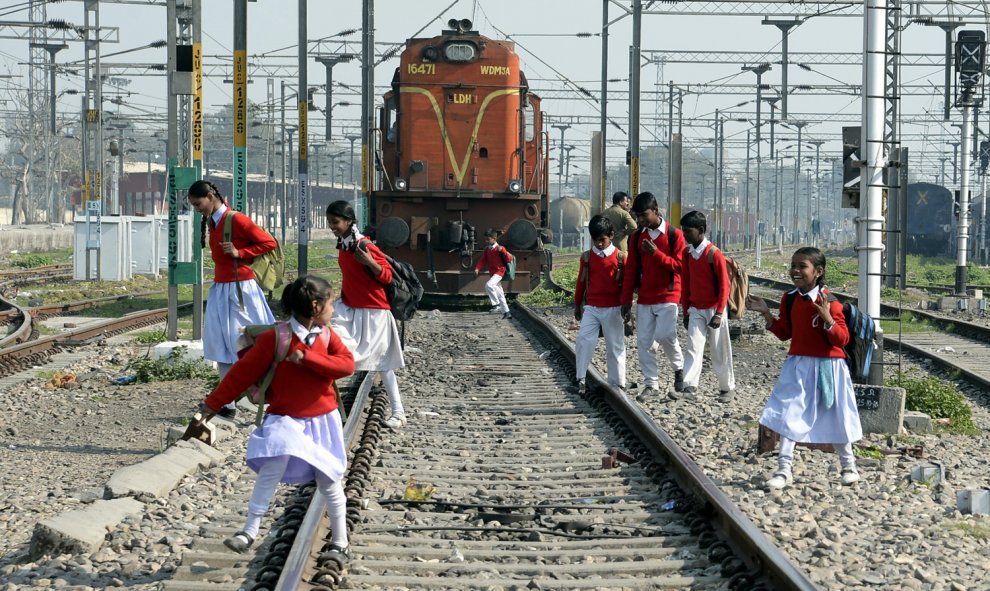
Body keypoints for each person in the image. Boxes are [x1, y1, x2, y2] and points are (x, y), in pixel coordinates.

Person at [199, 275, 354, 561]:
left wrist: (307, 358)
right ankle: (249, 530)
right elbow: (240, 374)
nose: (334, 309)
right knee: (271, 468)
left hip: (323, 419)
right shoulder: (276, 337)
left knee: (329, 479)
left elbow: (347, 366)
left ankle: (341, 541)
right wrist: (212, 405)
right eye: (331, 303)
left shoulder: (327, 336)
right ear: (316, 305)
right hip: (285, 418)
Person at [745, 247, 862, 490]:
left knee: (836, 415)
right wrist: (767, 313)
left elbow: (842, 340)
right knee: (789, 413)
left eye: (802, 267)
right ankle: (784, 469)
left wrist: (828, 319)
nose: (795, 271)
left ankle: (848, 466)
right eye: (793, 266)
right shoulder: (789, 299)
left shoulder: (831, 302)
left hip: (829, 367)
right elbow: (784, 333)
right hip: (798, 364)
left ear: (818, 272)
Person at [188, 180, 277, 420]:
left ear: (210, 196)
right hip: (222, 289)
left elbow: (269, 243)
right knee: (221, 345)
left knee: (246, 344)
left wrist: (241, 253)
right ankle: (228, 402)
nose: (198, 209)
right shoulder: (213, 222)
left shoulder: (235, 219)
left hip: (241, 291)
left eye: (199, 204)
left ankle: (270, 398)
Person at [325, 200, 408, 429]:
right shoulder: (344, 245)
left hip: (374, 311)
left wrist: (370, 262)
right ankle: (325, 409)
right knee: (332, 348)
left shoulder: (365, 246)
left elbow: (388, 277)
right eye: (330, 222)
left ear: (349, 221)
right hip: (351, 309)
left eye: (335, 222)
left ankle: (399, 412)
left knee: (383, 363)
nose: (332, 226)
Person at [621, 192, 685, 401]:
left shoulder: (675, 235)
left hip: (669, 294)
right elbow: (630, 270)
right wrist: (626, 300)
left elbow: (680, 267)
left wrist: (657, 254)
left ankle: (678, 368)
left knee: (667, 335)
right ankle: (651, 384)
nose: (640, 220)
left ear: (656, 211)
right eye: (637, 216)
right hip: (646, 297)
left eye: (643, 215)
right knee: (644, 342)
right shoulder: (638, 237)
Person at [676, 211, 735, 403]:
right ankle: (689, 387)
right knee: (693, 347)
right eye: (683, 230)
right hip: (695, 310)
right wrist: (685, 311)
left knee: (719, 350)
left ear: (700, 231)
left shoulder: (714, 254)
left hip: (714, 309)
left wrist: (719, 313)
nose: (684, 235)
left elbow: (724, 286)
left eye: (688, 231)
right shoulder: (687, 254)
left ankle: (727, 388)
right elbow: (685, 283)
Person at [573, 215, 626, 392]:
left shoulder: (620, 258)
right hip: (592, 307)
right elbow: (581, 282)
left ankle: (618, 383)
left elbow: (626, 284)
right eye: (595, 240)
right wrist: (577, 303)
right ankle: (580, 378)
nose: (599, 244)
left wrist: (626, 305)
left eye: (602, 240)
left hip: (613, 308)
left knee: (615, 345)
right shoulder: (587, 257)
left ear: (611, 235)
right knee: (583, 340)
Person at [474, 228, 512, 320]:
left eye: (488, 239)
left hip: (499, 271)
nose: (486, 241)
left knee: (489, 285)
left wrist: (502, 251)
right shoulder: (488, 250)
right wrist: (477, 268)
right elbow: (483, 260)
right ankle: (507, 313)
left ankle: (496, 305)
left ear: (494, 238)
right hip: (493, 273)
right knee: (500, 294)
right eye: (486, 239)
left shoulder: (500, 248)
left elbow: (509, 259)